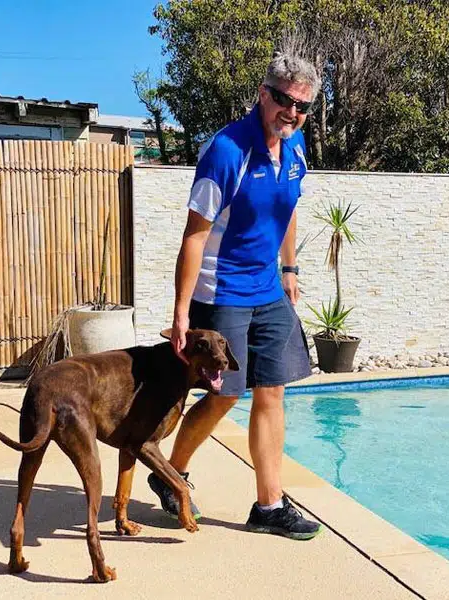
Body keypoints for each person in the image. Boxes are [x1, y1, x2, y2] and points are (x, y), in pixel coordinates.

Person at [148, 49, 323, 539]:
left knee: (273, 390)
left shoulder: (295, 146)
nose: (292, 112)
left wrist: (289, 267)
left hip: (267, 287)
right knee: (225, 394)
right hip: (221, 289)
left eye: (303, 105)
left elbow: (288, 207)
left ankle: (269, 505)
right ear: (264, 94)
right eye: (285, 100)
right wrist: (181, 313)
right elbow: (194, 235)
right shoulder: (227, 151)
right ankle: (171, 473)